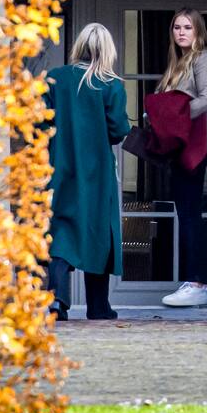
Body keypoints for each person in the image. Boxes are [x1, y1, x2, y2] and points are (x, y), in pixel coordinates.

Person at [42, 23, 131, 320]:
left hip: (61, 164)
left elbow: (40, 122)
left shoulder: (55, 78)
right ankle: (98, 305)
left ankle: (57, 300)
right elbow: (118, 130)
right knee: (99, 232)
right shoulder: (111, 84)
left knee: (61, 231)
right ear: (107, 51)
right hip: (97, 171)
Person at [157, 8, 207, 308]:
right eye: (177, 28)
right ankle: (195, 281)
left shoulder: (205, 59)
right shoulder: (179, 63)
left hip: (198, 144)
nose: (181, 33)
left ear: (198, 31)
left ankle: (197, 282)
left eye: (188, 28)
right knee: (186, 212)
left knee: (189, 214)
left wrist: (171, 116)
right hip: (183, 144)